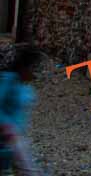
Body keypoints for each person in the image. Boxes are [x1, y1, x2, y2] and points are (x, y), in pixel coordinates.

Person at [0, 45, 43, 175]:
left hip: (13, 138)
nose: (36, 73)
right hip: (8, 135)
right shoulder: (8, 80)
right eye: (33, 68)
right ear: (24, 67)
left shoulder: (23, 86)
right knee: (28, 169)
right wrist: (7, 126)